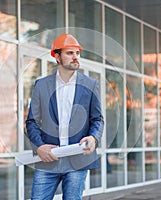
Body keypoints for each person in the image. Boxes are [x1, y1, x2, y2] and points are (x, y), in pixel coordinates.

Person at [26, 33, 104, 200]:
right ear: (57, 56)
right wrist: (39, 147)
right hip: (48, 159)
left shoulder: (91, 85)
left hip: (77, 159)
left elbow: (97, 119)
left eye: (77, 53)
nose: (75, 57)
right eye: (69, 53)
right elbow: (32, 121)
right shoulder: (41, 85)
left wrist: (94, 138)